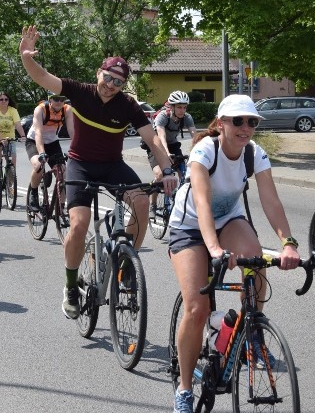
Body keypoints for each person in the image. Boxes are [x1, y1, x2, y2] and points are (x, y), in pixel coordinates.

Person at [19, 25, 179, 319]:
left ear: (123, 85)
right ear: (98, 74)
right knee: (79, 225)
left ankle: (127, 265)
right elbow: (43, 77)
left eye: (117, 82)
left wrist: (167, 169)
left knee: (142, 201)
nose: (110, 85)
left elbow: (152, 139)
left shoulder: (128, 105)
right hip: (80, 164)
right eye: (107, 78)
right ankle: (70, 287)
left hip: (112, 165)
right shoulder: (80, 92)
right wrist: (27, 57)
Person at [169, 94, 301, 413]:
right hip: (189, 226)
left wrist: (289, 243)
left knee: (254, 256)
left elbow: (271, 202)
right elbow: (201, 202)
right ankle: (184, 391)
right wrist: (214, 248)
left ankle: (252, 328)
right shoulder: (205, 150)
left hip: (228, 220)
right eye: (238, 121)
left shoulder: (254, 154)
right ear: (221, 123)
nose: (245, 128)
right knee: (196, 309)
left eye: (252, 122)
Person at [145, 90, 197, 210]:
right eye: (179, 107)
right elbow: (161, 136)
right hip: (155, 144)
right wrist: (166, 153)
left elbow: (195, 137)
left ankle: (179, 198)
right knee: (159, 175)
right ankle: (152, 204)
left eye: (184, 107)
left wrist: (200, 151)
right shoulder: (163, 116)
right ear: (172, 107)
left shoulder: (187, 117)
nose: (182, 110)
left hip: (173, 145)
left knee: (185, 173)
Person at [25, 94, 72, 211]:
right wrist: (41, 153)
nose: (59, 102)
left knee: (63, 174)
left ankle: (60, 209)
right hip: (34, 141)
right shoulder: (40, 109)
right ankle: (34, 194)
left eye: (62, 99)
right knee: (38, 165)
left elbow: (72, 132)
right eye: (56, 99)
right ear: (50, 99)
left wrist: (78, 151)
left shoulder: (67, 109)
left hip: (52, 143)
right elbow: (38, 133)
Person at [0, 92, 26, 178]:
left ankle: (10, 183)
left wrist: (23, 136)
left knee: (13, 159)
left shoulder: (13, 110)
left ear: (8, 101)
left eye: (6, 99)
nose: (4, 101)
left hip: (9, 138)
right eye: (1, 99)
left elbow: (18, 125)